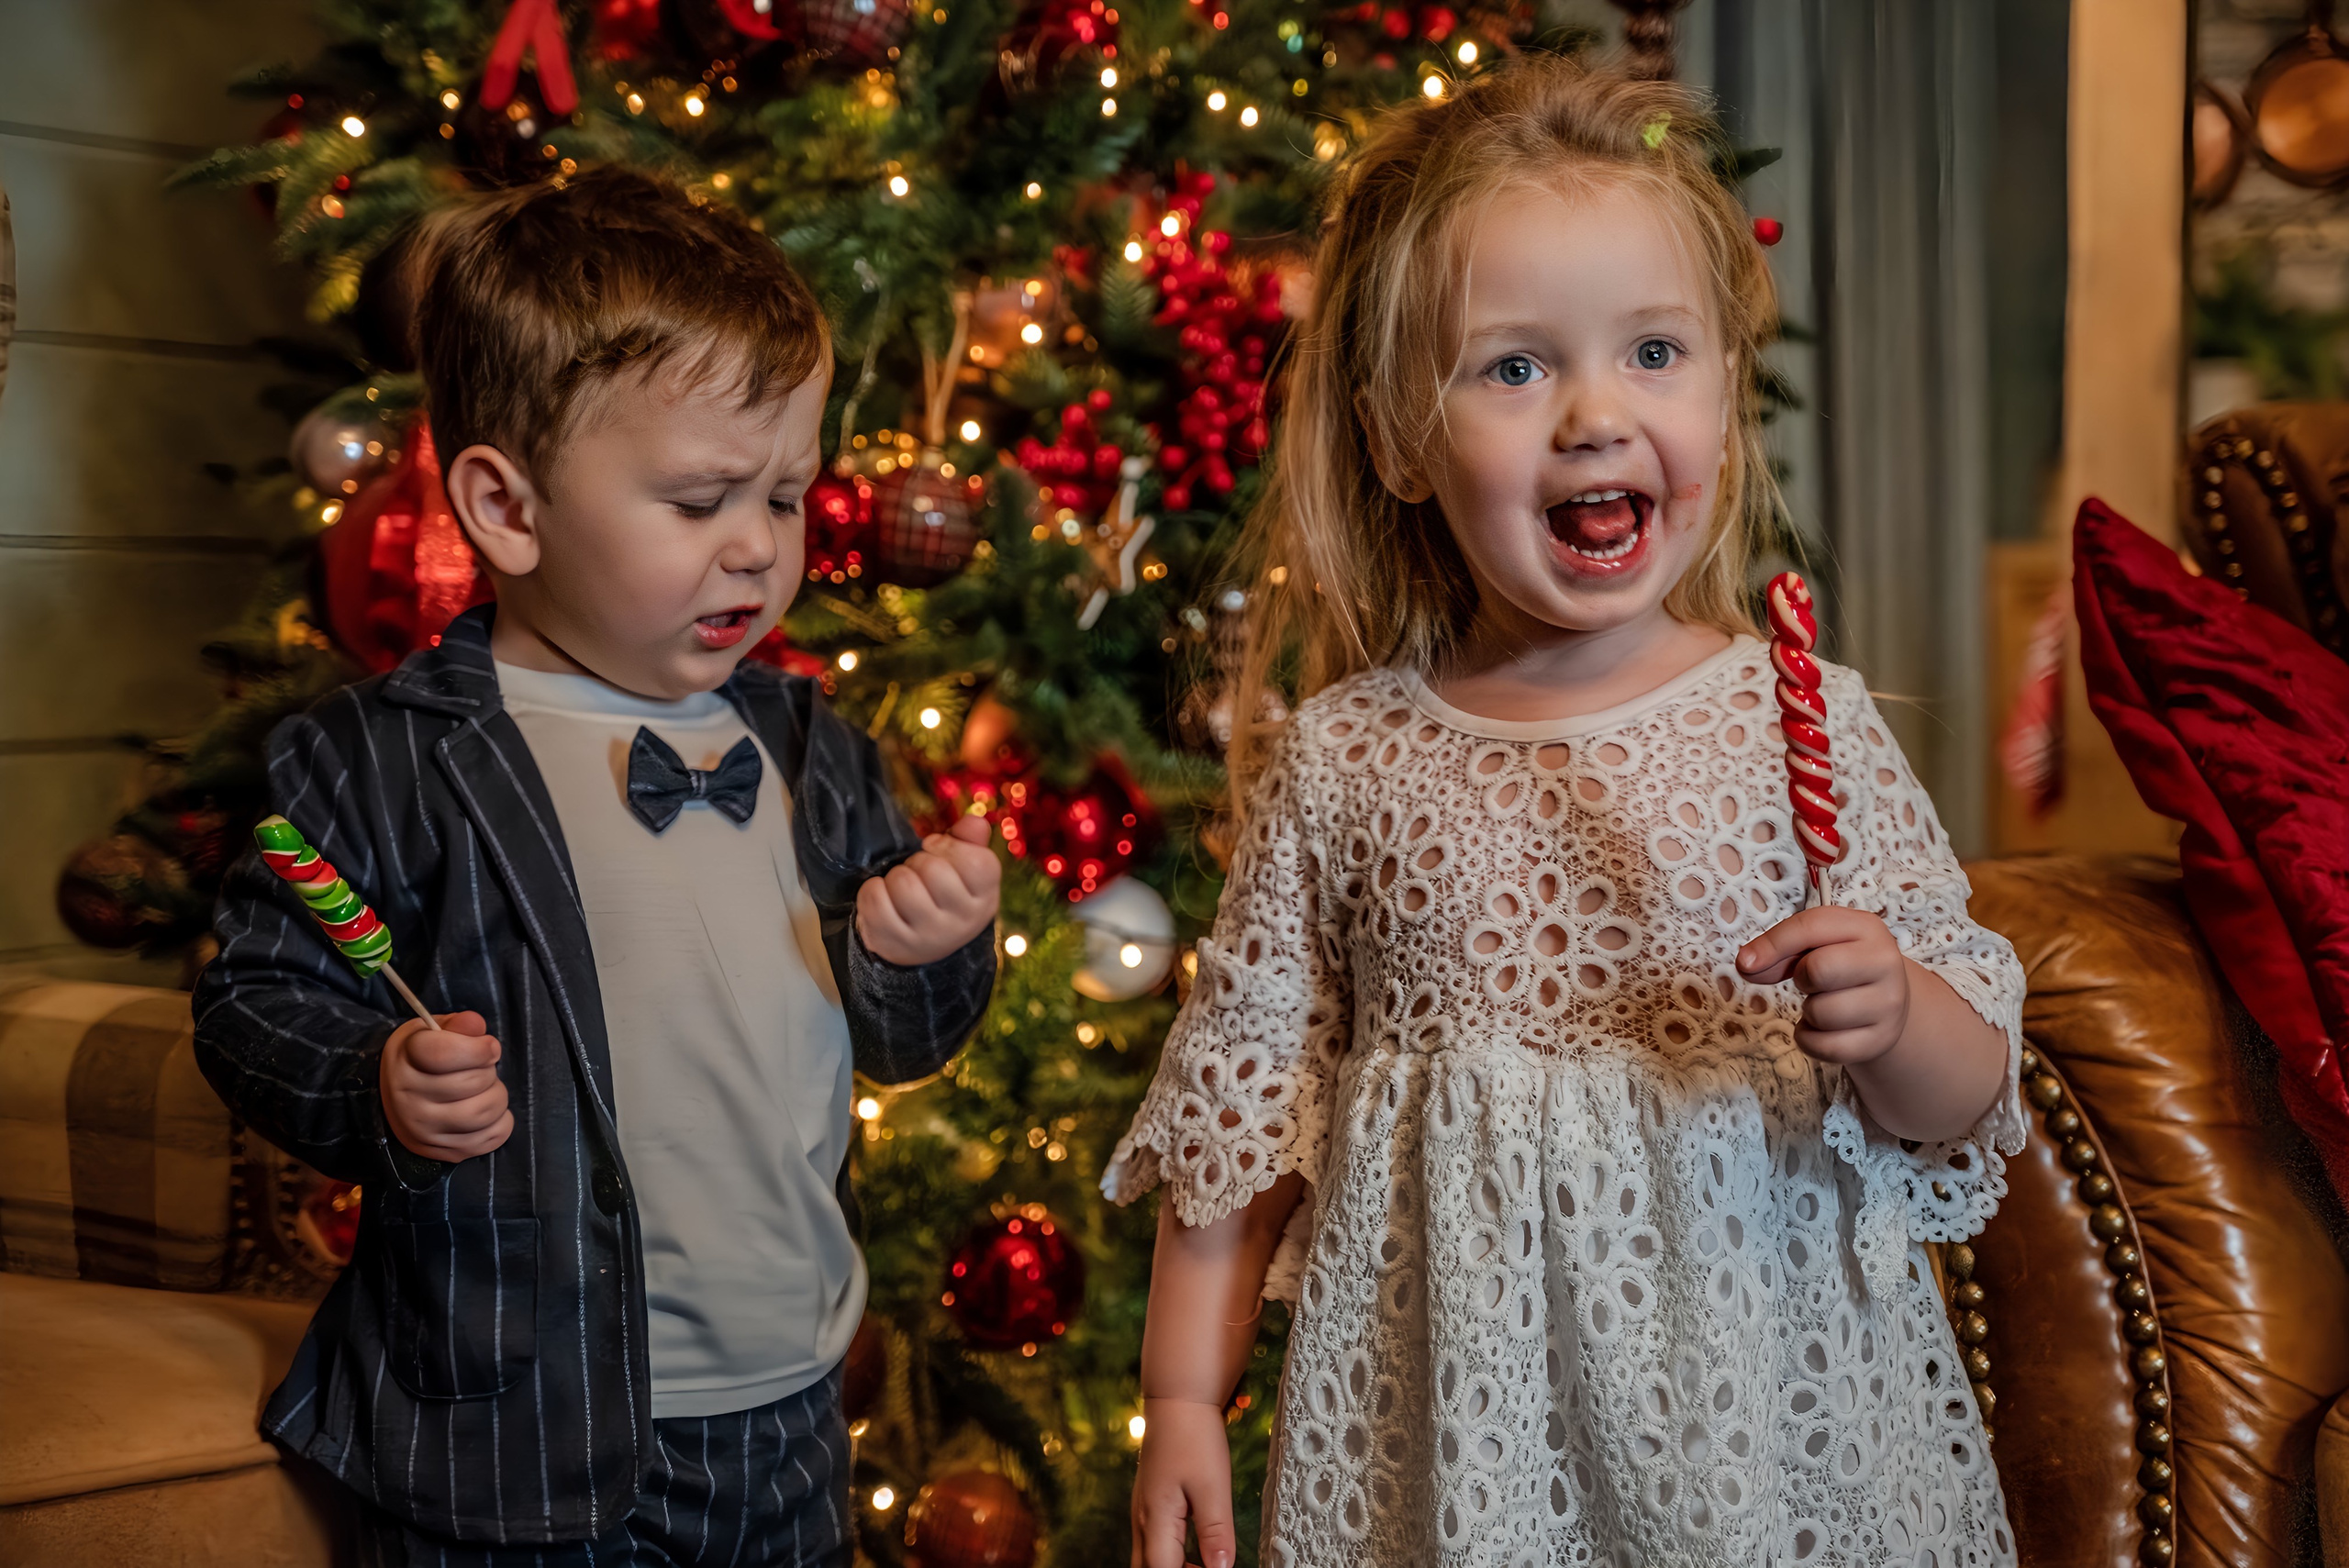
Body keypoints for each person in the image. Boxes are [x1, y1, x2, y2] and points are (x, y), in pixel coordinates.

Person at [1110, 56, 2025, 1568]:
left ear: (1727, 404)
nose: (1598, 413)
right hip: (1458, 1452)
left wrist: (1898, 1010)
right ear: (1406, 438)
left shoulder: (1797, 720)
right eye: (1516, 368)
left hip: (1770, 1430)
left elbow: (1967, 1094)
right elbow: (1238, 1120)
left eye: (1655, 350)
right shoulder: (1347, 763)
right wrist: (1183, 1394)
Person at [194, 168, 1000, 1566]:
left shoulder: (812, 744)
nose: (760, 541)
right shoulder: (384, 761)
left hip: (790, 1403)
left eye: (789, 494)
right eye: (700, 500)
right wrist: (368, 1080)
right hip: (512, 1420)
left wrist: (918, 951)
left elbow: (900, 1039)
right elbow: (256, 997)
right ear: (507, 508)